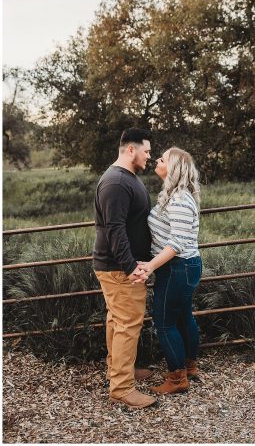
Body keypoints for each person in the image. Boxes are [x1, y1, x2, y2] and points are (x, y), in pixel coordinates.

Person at [93, 128, 158, 409]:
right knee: (128, 324)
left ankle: (119, 371)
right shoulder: (116, 183)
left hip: (119, 267)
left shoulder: (126, 179)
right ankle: (121, 387)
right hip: (120, 269)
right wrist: (130, 266)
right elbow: (114, 229)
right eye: (146, 151)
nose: (149, 156)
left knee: (117, 322)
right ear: (130, 150)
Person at [133, 147, 203, 395]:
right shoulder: (173, 195)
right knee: (183, 317)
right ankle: (188, 367)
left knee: (163, 323)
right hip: (182, 267)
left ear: (173, 167)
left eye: (163, 158)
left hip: (178, 267)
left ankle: (177, 379)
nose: (157, 160)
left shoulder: (180, 199)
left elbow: (177, 243)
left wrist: (150, 266)